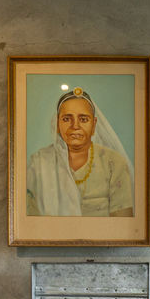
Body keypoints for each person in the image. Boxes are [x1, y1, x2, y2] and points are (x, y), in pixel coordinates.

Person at [26, 87, 134, 217]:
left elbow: (123, 222)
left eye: (83, 119)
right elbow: (30, 221)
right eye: (67, 119)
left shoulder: (114, 162)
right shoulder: (39, 162)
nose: (75, 126)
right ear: (57, 124)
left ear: (94, 125)